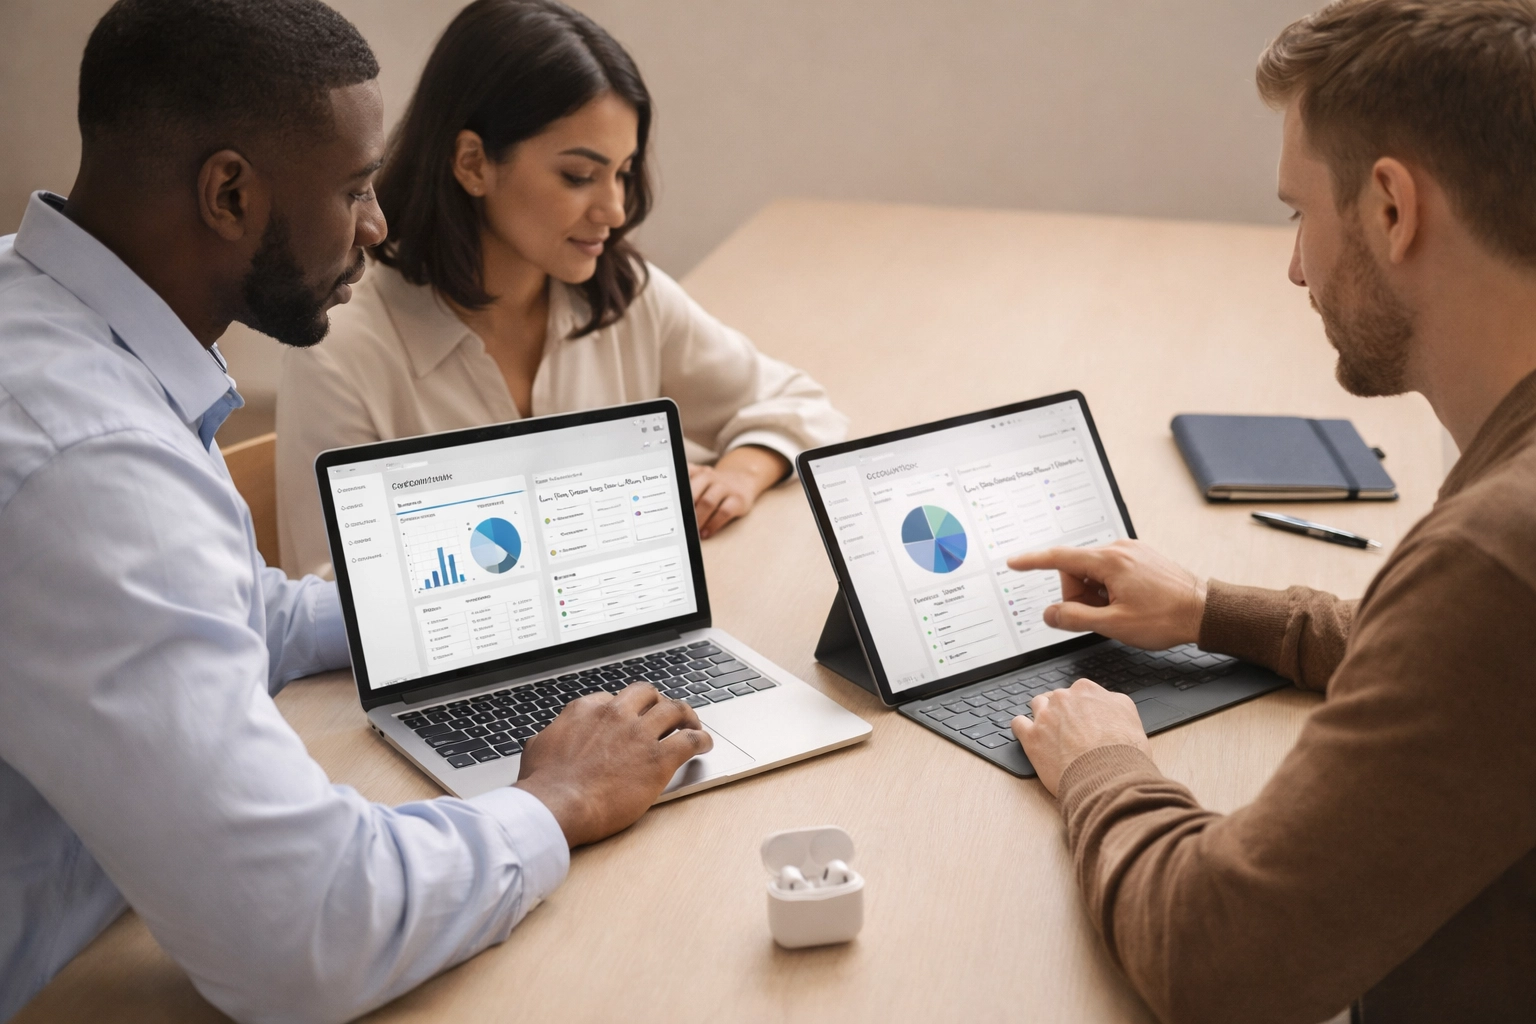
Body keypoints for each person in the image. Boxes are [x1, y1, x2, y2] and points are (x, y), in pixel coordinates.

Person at [0, 1, 710, 1021]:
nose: (377, 225)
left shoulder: (56, 320)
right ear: (230, 192)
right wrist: (561, 796)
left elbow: (244, 613)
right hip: (66, 983)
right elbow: (307, 935)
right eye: (353, 189)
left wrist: (534, 602)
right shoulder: (93, 470)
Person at [1006, 2, 1536, 1022]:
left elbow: (1218, 959)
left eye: (1301, 212)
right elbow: (1464, 674)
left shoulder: (1497, 554)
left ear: (1390, 208)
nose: (1296, 266)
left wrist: (1101, 763)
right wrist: (1210, 607)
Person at [274, 0, 848, 580]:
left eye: (622, 172)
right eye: (579, 176)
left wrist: (740, 475)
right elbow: (330, 597)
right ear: (473, 163)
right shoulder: (340, 351)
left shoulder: (624, 295)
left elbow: (798, 403)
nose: (616, 209)